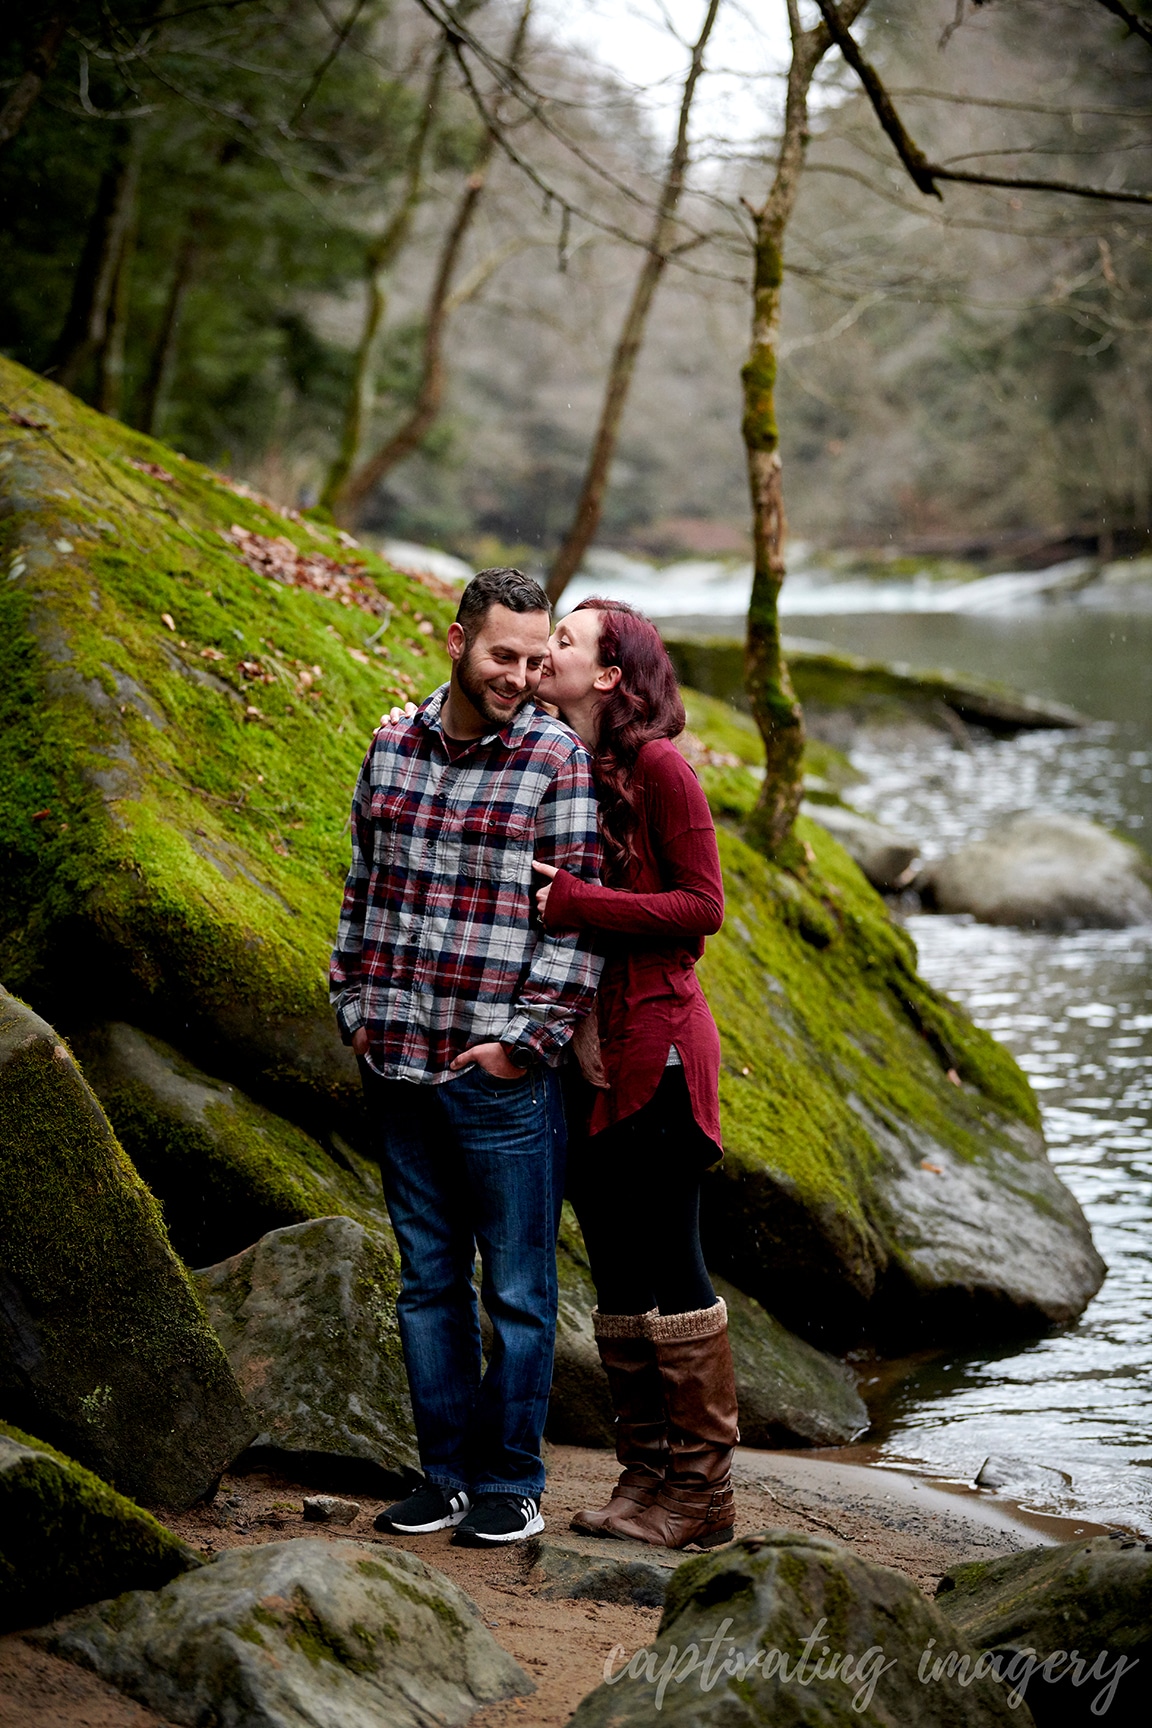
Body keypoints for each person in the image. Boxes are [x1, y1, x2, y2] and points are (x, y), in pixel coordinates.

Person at [330, 568, 602, 1548]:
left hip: (499, 1083)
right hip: (396, 1065)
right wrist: (353, 1004)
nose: (522, 676)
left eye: (538, 660)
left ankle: (511, 1484)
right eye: (503, 656)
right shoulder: (390, 746)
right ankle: (441, 1476)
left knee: (520, 1293)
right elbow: (361, 885)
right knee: (427, 1282)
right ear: (456, 640)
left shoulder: (554, 761)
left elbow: (573, 927)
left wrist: (522, 1045)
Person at [533, 598, 739, 1551]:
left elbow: (702, 907)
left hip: (658, 1050)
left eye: (564, 642)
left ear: (611, 677)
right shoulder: (563, 759)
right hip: (590, 1053)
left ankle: (702, 1501)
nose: (545, 651)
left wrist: (577, 902)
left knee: (670, 1263)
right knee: (616, 1269)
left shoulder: (660, 768)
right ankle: (644, 1481)